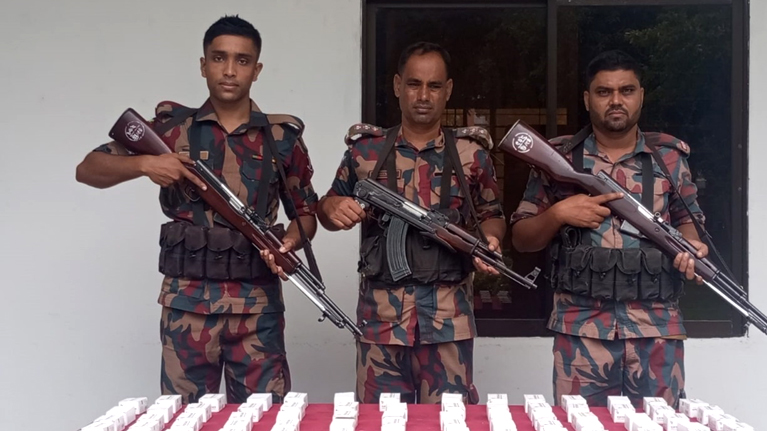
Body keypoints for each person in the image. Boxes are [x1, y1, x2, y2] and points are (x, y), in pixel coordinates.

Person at [75, 15, 318, 404]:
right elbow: (87, 169)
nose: (229, 70)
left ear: (256, 70)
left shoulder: (280, 139)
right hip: (186, 306)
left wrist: (288, 243)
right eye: (219, 58)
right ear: (203, 65)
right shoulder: (172, 130)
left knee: (265, 422)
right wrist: (145, 164)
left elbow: (305, 213)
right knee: (182, 422)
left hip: (257, 309)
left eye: (242, 60)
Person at [304, 41, 503, 405]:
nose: (423, 95)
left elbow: (492, 215)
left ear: (448, 90)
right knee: (378, 428)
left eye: (434, 86)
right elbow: (328, 206)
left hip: (448, 321)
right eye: (414, 84)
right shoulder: (365, 152)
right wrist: (333, 210)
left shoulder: (471, 155)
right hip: (381, 321)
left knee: (448, 427)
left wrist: (489, 242)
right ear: (398, 86)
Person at [510, 50, 708, 409]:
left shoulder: (669, 159)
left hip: (656, 331)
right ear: (588, 100)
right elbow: (521, 240)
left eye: (626, 90)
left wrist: (692, 252)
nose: (616, 100)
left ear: (640, 96)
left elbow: (689, 224)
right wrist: (558, 213)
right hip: (581, 331)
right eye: (604, 92)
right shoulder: (560, 158)